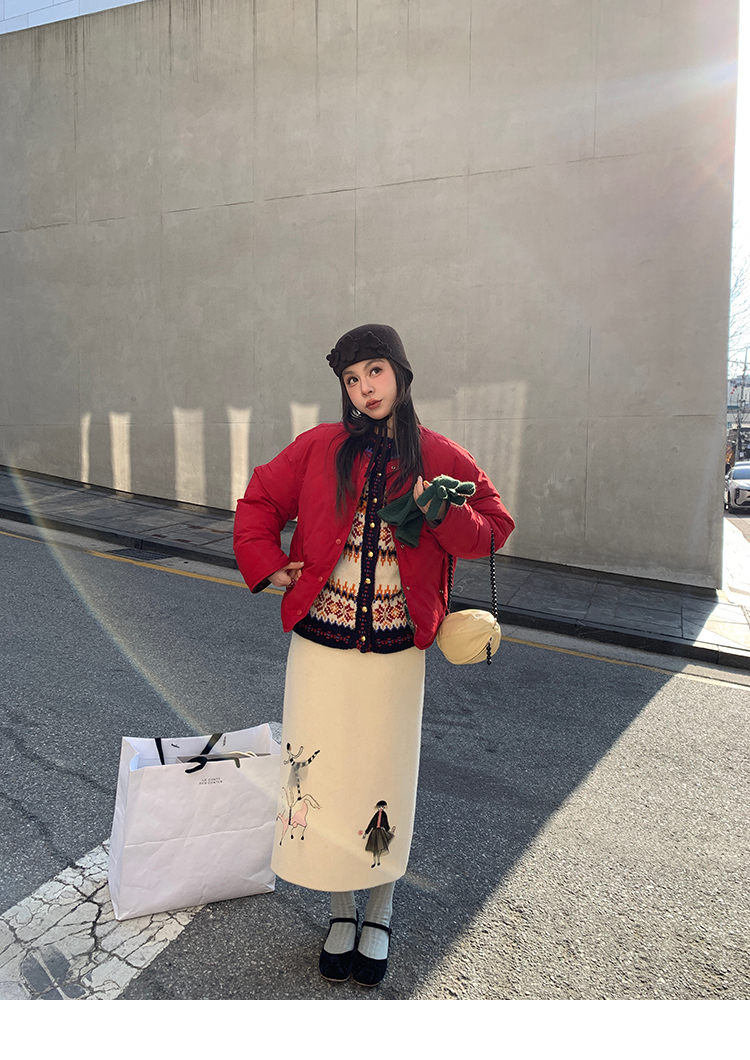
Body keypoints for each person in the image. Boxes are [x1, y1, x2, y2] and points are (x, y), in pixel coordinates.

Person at [233, 324, 514, 987]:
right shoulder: (318, 447)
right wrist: (268, 562)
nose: (365, 388)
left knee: (383, 780)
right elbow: (259, 500)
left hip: (395, 654)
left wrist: (438, 512)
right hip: (319, 648)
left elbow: (492, 530)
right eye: (352, 379)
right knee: (326, 780)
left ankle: (380, 911)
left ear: (401, 374)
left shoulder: (440, 454)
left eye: (375, 372)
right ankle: (339, 910)